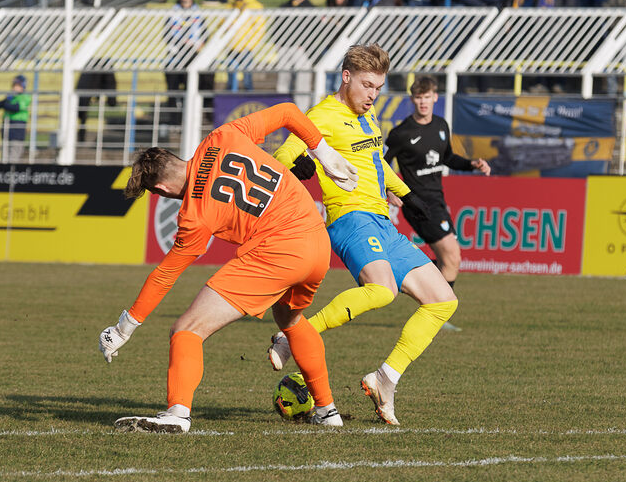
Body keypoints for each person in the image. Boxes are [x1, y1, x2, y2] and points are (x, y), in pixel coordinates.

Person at [104, 102, 360, 433]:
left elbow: (165, 274)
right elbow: (287, 112)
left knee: (186, 330)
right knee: (289, 319)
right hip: (316, 241)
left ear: (162, 190)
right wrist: (322, 150)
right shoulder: (222, 135)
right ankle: (327, 411)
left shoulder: (194, 213)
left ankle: (178, 413)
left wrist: (124, 327)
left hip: (279, 250)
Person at [269, 44, 459, 426]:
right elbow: (281, 157)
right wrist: (299, 162)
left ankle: (385, 378)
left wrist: (408, 196)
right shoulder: (321, 115)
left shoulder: (368, 118)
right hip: (349, 219)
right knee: (382, 290)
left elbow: (375, 164)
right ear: (346, 77)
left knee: (442, 300)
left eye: (378, 87)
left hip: (382, 222)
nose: (373, 95)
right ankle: (294, 336)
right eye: (367, 85)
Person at [384, 76, 490, 305]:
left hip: (437, 200)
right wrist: (388, 190)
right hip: (416, 203)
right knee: (452, 256)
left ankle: (409, 277)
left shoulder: (441, 125)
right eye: (419, 98)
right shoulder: (401, 133)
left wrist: (472, 164)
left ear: (435, 97)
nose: (423, 102)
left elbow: (449, 157)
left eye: (427, 97)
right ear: (412, 99)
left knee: (449, 260)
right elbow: (380, 164)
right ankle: (440, 309)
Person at [0, 74, 30, 162]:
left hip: (17, 132)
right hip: (7, 132)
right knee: (4, 159)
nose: (15, 88)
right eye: (14, 85)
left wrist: (5, 103)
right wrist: (5, 101)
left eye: (18, 85)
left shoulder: (25, 97)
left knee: (13, 159)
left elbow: (16, 108)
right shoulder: (10, 98)